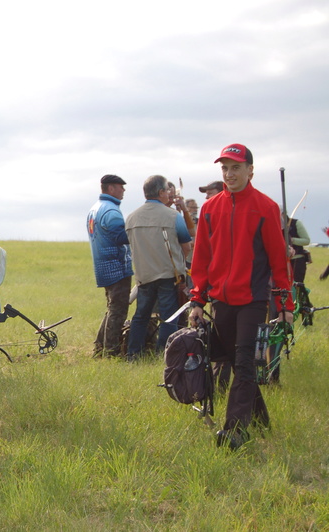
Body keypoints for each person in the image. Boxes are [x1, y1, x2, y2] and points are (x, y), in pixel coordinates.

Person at [189, 143, 293, 450]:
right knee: (235, 361)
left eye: (236, 167)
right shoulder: (210, 208)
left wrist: (285, 305)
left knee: (245, 363)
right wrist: (198, 299)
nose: (229, 174)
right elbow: (202, 259)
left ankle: (234, 431)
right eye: (225, 168)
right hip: (222, 300)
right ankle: (262, 422)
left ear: (250, 170)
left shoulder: (266, 207)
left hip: (252, 299)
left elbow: (278, 262)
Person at [125, 175, 192, 360]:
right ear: (161, 192)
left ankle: (133, 354)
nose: (169, 193)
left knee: (141, 316)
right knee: (169, 317)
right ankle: (164, 354)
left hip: (143, 275)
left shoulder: (131, 218)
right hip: (168, 275)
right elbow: (187, 247)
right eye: (167, 190)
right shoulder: (173, 216)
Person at [86, 175, 133, 358]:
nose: (124, 191)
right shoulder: (111, 211)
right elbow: (121, 238)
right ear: (111, 188)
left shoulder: (95, 209)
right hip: (116, 266)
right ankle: (111, 352)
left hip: (103, 266)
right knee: (118, 312)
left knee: (112, 308)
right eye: (121, 187)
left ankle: (99, 349)